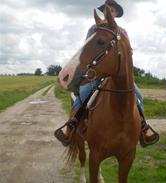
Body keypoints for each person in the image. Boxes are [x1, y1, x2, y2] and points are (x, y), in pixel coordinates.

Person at [55, 0, 159, 147]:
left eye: (112, 9)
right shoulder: (94, 28)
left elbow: (128, 51)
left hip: (117, 71)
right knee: (82, 95)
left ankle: (143, 126)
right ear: (104, 11)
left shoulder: (123, 31)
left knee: (139, 95)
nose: (109, 11)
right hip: (97, 71)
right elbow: (88, 48)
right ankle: (71, 125)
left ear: (115, 13)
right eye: (106, 9)